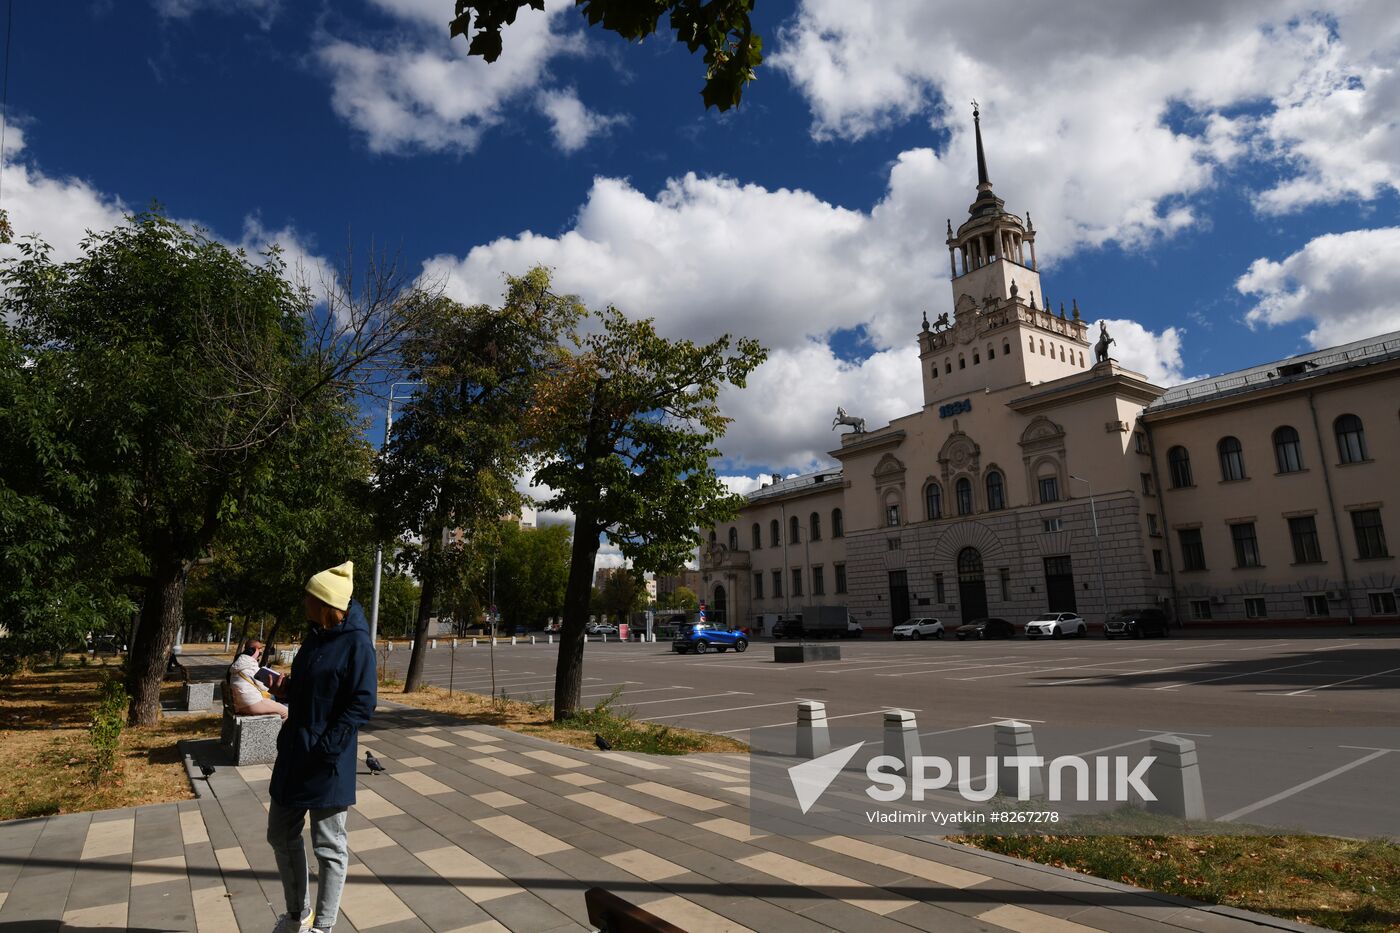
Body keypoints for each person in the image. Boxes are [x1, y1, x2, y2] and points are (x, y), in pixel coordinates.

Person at [266, 561, 377, 933]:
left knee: (329, 846)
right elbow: (313, 690)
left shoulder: (357, 643)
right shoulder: (315, 636)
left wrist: (328, 747)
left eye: (308, 596)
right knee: (279, 833)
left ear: (325, 602)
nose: (304, 601)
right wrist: (287, 690)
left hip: (328, 760)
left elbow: (362, 702)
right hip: (295, 751)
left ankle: (322, 927)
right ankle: (297, 914)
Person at [226, 639, 287, 720]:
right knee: (286, 712)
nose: (261, 651)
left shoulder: (239, 663)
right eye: (260, 648)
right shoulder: (250, 664)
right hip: (251, 703)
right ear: (252, 650)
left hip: (240, 704)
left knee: (275, 701)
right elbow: (264, 687)